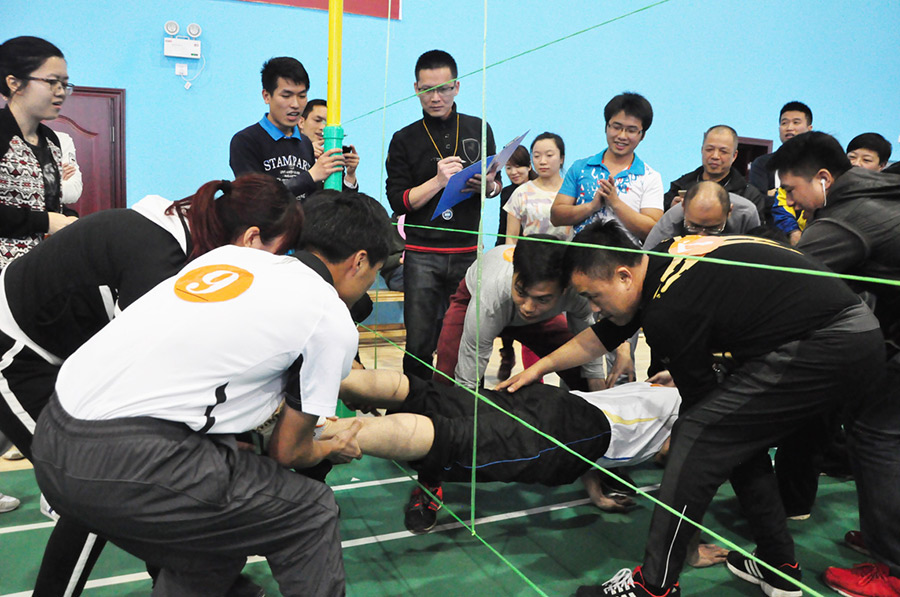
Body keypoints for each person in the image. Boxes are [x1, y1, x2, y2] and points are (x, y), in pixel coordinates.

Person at [30, 190, 391, 597]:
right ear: (359, 261)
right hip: (125, 460)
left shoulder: (228, 258)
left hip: (51, 437)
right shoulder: (329, 316)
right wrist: (331, 447)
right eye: (376, 272)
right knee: (311, 511)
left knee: (218, 534)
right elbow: (289, 453)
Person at [499, 221, 885, 597]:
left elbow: (700, 418)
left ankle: (654, 586)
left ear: (623, 276)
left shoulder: (669, 309)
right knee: (732, 441)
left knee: (697, 434)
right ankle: (778, 566)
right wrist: (539, 367)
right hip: (847, 334)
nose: (594, 308)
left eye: (594, 297)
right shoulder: (659, 260)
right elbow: (606, 334)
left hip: (830, 341)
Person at [0, 173, 301, 596]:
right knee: (92, 486)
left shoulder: (191, 232)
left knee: (136, 471)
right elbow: (145, 383)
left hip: (64, 352)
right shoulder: (158, 257)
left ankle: (176, 577)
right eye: (280, 253)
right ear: (252, 238)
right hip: (15, 352)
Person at [399, 236, 610, 533]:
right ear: (514, 276)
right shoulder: (494, 293)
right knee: (445, 391)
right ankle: (428, 487)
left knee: (583, 375)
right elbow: (466, 385)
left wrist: (601, 401)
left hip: (540, 319)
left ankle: (598, 468)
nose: (528, 306)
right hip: (478, 300)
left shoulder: (576, 293)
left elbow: (589, 351)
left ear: (564, 290)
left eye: (542, 298)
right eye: (521, 291)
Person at [769, 131, 900, 597]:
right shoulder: (880, 192)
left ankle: (893, 568)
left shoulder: (848, 217)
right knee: (868, 428)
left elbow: (784, 277)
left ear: (824, 178)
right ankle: (886, 536)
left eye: (792, 189)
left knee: (878, 436)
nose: (789, 200)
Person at [385, 49, 501, 380]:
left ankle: (462, 401)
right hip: (422, 254)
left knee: (468, 340)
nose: (435, 98)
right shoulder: (404, 139)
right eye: (426, 90)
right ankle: (417, 404)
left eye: (444, 89)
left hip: (467, 251)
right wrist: (437, 181)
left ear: (457, 87)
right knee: (419, 343)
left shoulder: (479, 128)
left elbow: (496, 186)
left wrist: (488, 186)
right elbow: (398, 201)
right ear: (415, 88)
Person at [0, 36, 77, 268]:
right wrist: (44, 221)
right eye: (52, 82)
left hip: (38, 268)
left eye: (64, 84)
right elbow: (42, 217)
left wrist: (69, 218)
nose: (60, 92)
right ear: (14, 83)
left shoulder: (51, 140)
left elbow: (46, 204)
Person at [549, 91, 663, 246]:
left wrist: (615, 203)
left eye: (631, 130)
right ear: (606, 127)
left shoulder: (649, 177)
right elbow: (556, 216)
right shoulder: (581, 168)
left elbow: (653, 231)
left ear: (642, 135)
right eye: (616, 127)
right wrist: (591, 207)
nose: (622, 136)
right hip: (580, 256)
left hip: (626, 259)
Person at [229, 57, 349, 199]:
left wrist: (347, 175)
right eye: (286, 96)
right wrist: (311, 176)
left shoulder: (305, 143)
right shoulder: (245, 141)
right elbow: (255, 197)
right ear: (266, 96)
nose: (295, 104)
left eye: (302, 96)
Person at [662, 125, 767, 223]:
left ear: (734, 156)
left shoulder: (749, 195)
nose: (715, 156)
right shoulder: (681, 186)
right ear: (702, 150)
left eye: (723, 151)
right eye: (709, 149)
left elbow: (756, 232)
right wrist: (672, 210)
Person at [495, 145, 536, 379]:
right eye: (508, 168)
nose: (513, 172)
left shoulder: (539, 188)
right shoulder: (507, 193)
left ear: (529, 165)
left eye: (518, 166)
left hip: (536, 257)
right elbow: (504, 230)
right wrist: (499, 254)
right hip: (511, 253)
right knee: (506, 306)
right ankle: (507, 352)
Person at [749, 102, 813, 244]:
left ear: (809, 129)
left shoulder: (817, 165)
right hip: (771, 237)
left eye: (796, 122)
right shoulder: (762, 163)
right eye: (784, 123)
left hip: (812, 236)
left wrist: (776, 195)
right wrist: (786, 198)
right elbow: (756, 200)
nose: (789, 128)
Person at [644, 181, 760, 249]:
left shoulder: (747, 214)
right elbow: (647, 260)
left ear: (729, 211)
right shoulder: (672, 219)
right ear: (683, 207)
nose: (702, 237)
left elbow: (759, 257)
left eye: (713, 229)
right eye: (694, 227)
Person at [504, 132, 572, 242]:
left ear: (561, 158)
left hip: (567, 252)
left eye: (549, 155)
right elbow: (511, 238)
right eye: (536, 156)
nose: (542, 161)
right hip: (531, 252)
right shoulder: (521, 193)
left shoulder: (573, 191)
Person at [300, 98, 360, 188]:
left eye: (327, 123)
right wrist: (306, 152)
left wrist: (350, 175)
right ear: (301, 122)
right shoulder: (286, 150)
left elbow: (340, 195)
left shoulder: (330, 158)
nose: (323, 127)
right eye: (317, 120)